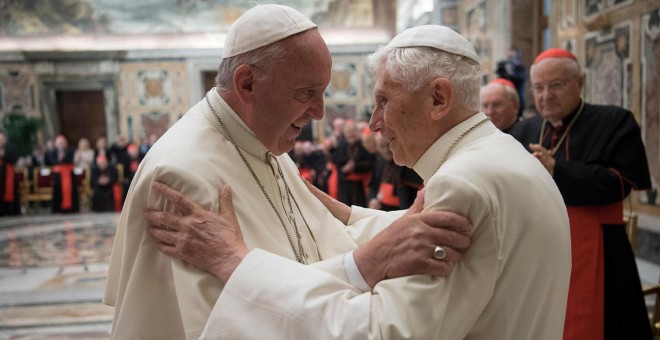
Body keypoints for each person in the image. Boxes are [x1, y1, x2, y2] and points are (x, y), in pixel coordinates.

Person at [146, 24, 572, 339]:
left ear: (438, 98)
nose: (373, 123)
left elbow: (380, 332)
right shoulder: (504, 156)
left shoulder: (462, 185)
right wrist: (349, 215)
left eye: (384, 100)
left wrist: (235, 263)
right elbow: (475, 242)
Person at [104, 6, 472, 339]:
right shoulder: (184, 176)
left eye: (323, 92)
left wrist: (387, 232)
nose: (319, 113)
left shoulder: (266, 142)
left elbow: (321, 243)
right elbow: (227, 325)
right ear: (247, 83)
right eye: (306, 92)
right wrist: (366, 264)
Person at [513, 48, 653, 340]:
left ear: (580, 82)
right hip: (536, 250)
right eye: (538, 88)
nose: (546, 95)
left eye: (556, 85)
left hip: (599, 247)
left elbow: (619, 182)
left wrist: (556, 170)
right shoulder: (525, 129)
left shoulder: (614, 121)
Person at [332, 119, 375, 206]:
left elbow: (370, 163)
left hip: (361, 185)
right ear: (345, 133)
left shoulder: (364, 145)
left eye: (353, 131)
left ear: (357, 131)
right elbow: (336, 162)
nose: (351, 134)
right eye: (348, 132)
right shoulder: (342, 145)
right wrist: (343, 169)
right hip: (345, 184)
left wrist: (355, 166)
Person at [49, 135, 79, 213]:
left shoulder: (70, 151)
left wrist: (64, 156)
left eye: (63, 143)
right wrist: (59, 157)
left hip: (69, 173)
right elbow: (53, 162)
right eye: (59, 143)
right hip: (58, 175)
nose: (61, 144)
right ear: (56, 144)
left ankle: (71, 207)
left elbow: (71, 161)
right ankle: (59, 208)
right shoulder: (52, 152)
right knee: (58, 191)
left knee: (71, 190)